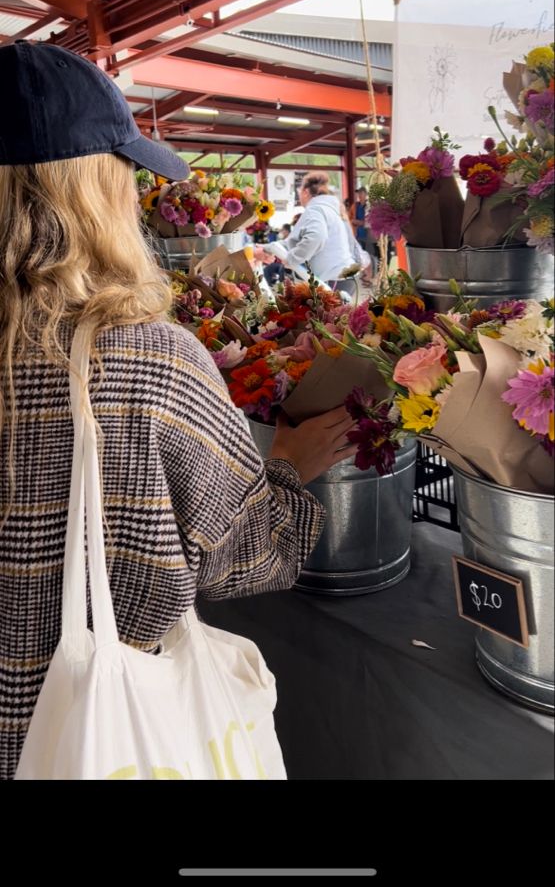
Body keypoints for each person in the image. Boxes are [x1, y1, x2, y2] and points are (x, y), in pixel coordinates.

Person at [0, 41, 356, 780]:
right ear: (93, 191)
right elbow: (247, 560)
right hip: (93, 736)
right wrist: (284, 470)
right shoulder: (148, 360)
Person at [253, 171, 353, 286]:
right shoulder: (329, 209)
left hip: (331, 279)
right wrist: (267, 248)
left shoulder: (315, 209)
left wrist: (292, 259)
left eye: (298, 191)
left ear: (305, 192)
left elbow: (316, 237)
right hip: (342, 276)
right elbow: (293, 242)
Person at [263, 224, 291, 288]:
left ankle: (283, 288)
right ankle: (271, 285)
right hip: (278, 263)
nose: (281, 231)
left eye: (282, 230)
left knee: (282, 269)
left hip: (286, 263)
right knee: (267, 269)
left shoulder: (290, 241)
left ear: (286, 231)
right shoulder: (282, 240)